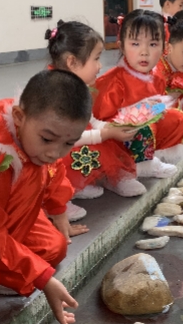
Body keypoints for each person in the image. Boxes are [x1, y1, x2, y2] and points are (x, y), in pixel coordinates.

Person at [0, 70, 92, 324]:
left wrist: (58, 209)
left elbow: (55, 170)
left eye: (68, 144)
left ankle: (11, 263)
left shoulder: (37, 127)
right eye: (47, 139)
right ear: (19, 117)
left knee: (55, 247)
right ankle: (3, 269)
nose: (55, 152)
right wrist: (43, 278)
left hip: (7, 211)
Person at [45, 21, 145, 217]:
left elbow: (92, 120)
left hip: (79, 138)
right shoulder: (55, 93)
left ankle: (88, 182)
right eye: (96, 59)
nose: (100, 66)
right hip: (57, 148)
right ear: (72, 62)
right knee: (91, 146)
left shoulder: (79, 86)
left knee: (109, 140)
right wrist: (104, 133)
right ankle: (58, 198)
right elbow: (64, 138)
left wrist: (112, 127)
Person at [93, 9, 183, 174]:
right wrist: (137, 112)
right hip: (117, 139)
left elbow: (157, 109)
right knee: (141, 127)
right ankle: (131, 167)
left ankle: (154, 156)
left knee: (177, 118)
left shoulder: (156, 76)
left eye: (152, 44)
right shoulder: (112, 82)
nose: (144, 52)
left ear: (164, 48)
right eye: (135, 44)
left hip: (146, 131)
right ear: (121, 46)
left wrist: (161, 105)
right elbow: (98, 122)